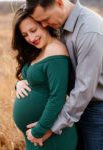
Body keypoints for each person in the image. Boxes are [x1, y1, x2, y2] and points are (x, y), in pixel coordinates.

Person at [15, 0, 103, 150]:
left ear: (60, 3)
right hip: (73, 108)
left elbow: (84, 89)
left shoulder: (89, 30)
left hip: (95, 110)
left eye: (45, 20)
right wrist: (20, 83)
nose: (43, 25)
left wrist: (51, 127)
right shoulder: (59, 24)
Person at [12, 6, 77, 150]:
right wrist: (20, 84)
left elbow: (57, 97)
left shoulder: (56, 52)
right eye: (25, 35)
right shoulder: (40, 50)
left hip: (49, 137)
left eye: (33, 30)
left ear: (44, 24)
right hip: (36, 136)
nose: (31, 38)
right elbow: (34, 81)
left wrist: (39, 130)